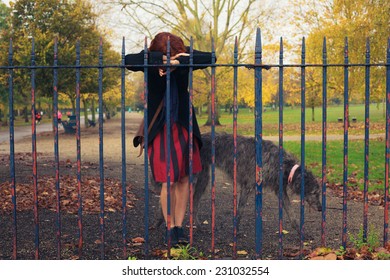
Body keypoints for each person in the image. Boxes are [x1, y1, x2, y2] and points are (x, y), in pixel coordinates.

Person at [125, 32, 215, 246]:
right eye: (168, 54)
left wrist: (179, 60)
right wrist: (161, 60)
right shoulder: (150, 63)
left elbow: (211, 57)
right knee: (168, 180)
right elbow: (128, 60)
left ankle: (178, 227)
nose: (171, 58)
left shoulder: (184, 63)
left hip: (183, 127)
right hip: (160, 129)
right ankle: (168, 227)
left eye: (174, 53)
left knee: (184, 179)